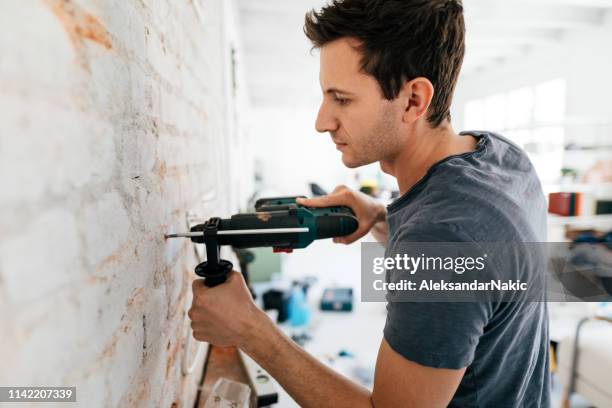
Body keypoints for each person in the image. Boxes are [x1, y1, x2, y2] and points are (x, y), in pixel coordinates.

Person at [188, 0, 551, 406]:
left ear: (414, 100)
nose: (322, 121)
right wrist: (381, 216)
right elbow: (479, 269)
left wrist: (250, 330)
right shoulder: (503, 157)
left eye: (341, 99)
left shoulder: (441, 238)